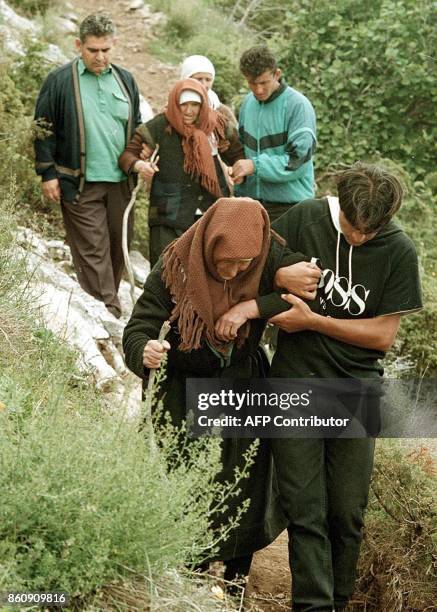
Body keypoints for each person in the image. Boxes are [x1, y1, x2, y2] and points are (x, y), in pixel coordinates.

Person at [122, 196, 320, 590]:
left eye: (243, 265)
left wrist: (250, 306)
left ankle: (233, 582)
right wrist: (142, 350)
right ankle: (188, 578)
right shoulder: (176, 264)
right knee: (189, 480)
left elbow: (305, 287)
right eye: (223, 263)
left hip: (242, 379)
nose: (232, 272)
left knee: (244, 478)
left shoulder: (270, 251)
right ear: (209, 245)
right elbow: (138, 327)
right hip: (185, 387)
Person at [263, 162, 422, 611]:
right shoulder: (305, 218)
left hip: (356, 386)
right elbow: (253, 265)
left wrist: (315, 321)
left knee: (347, 510)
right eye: (353, 228)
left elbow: (382, 337)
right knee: (304, 504)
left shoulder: (398, 250)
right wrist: (278, 275)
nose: (358, 238)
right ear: (341, 208)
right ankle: (313, 605)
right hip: (295, 379)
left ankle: (341, 599)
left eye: (370, 232)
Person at [34, 14, 141, 319]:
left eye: (106, 49)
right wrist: (47, 173)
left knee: (117, 249)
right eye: (93, 50)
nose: (100, 56)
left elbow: (138, 126)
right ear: (79, 45)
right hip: (78, 183)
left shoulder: (125, 79)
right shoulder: (59, 81)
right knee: (93, 251)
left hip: (121, 183)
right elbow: (43, 128)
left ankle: (106, 302)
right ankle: (108, 314)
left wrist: (140, 155)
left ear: (114, 44)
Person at [118, 79, 243, 267]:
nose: (189, 111)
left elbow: (238, 155)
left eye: (195, 105)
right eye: (184, 105)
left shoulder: (217, 125)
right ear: (175, 104)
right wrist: (140, 166)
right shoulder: (161, 125)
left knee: (204, 272)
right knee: (164, 272)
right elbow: (127, 155)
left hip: (211, 210)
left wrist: (237, 169)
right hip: (168, 212)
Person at [231, 45, 317, 222]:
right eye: (252, 83)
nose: (258, 90)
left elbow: (297, 161)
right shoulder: (248, 103)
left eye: (263, 82)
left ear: (277, 74)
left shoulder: (298, 106)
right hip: (252, 205)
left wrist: (255, 166)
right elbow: (242, 149)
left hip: (291, 207)